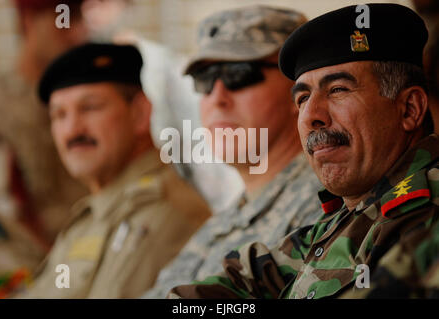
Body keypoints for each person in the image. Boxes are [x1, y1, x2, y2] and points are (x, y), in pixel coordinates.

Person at [168, 3, 438, 299]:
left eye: (338, 89)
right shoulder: (337, 223)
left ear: (409, 109)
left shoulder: (423, 217)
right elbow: (217, 292)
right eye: (303, 98)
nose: (311, 115)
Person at [143, 5, 323, 298]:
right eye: (204, 79)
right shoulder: (226, 220)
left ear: (300, 90)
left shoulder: (326, 207)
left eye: (239, 74)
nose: (217, 97)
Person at [13, 43, 211, 298]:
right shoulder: (96, 213)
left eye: (90, 107)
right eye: (59, 115)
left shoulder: (161, 211)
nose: (72, 130)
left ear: (140, 113)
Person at [0, 0, 89, 244]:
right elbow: (6, 207)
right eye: (63, 20)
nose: (77, 32)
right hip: (23, 264)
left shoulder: (94, 96)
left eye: (78, 18)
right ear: (28, 21)